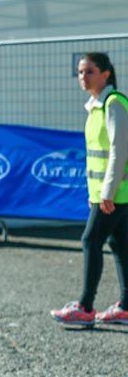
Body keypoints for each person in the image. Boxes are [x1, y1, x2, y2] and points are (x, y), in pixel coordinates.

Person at [52, 53, 128, 329]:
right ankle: (125, 307)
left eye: (89, 72)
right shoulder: (97, 106)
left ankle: (85, 306)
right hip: (109, 193)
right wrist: (96, 192)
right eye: (80, 72)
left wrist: (106, 191)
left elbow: (120, 150)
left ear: (106, 74)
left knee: (90, 240)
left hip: (115, 193)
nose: (83, 77)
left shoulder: (113, 104)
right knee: (119, 246)